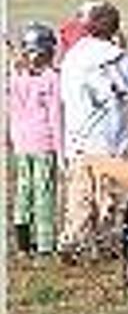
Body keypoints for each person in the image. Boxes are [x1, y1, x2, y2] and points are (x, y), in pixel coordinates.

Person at [58, 2, 128, 261]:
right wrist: (122, 49)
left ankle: (74, 239)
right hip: (108, 135)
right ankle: (106, 241)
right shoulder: (115, 56)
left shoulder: (73, 55)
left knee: (80, 193)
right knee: (107, 195)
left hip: (78, 134)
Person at [8, 22, 63, 256]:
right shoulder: (52, 79)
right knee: (45, 194)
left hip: (20, 143)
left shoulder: (14, 77)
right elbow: (55, 117)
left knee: (23, 191)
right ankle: (45, 246)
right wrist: (61, 153)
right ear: (49, 52)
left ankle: (22, 244)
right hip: (44, 143)